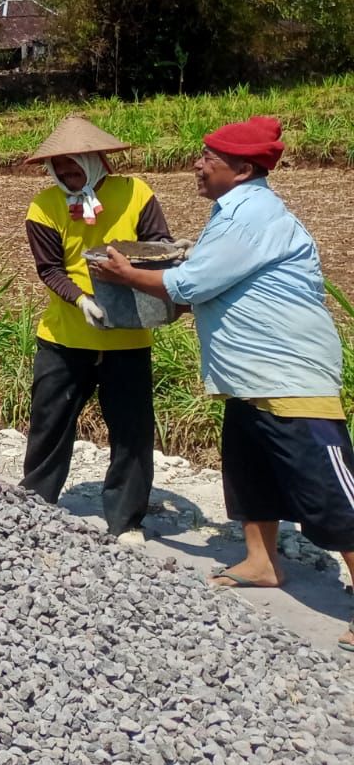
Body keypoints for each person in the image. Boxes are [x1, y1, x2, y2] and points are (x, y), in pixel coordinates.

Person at [93, 116, 354, 651]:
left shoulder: (252, 215)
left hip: (289, 374)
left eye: (208, 158)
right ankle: (262, 562)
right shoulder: (232, 212)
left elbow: (190, 281)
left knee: (330, 491)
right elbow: (204, 283)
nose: (197, 165)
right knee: (250, 472)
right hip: (248, 376)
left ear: (242, 168)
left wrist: (129, 277)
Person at [22, 115, 172, 543]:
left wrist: (140, 274)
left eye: (75, 166)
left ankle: (126, 520)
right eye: (60, 168)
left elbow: (158, 245)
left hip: (128, 331)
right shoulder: (45, 206)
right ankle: (35, 503)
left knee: (131, 427)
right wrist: (82, 299)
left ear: (97, 161)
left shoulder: (135, 193)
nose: (67, 174)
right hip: (66, 332)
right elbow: (49, 268)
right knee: (50, 421)